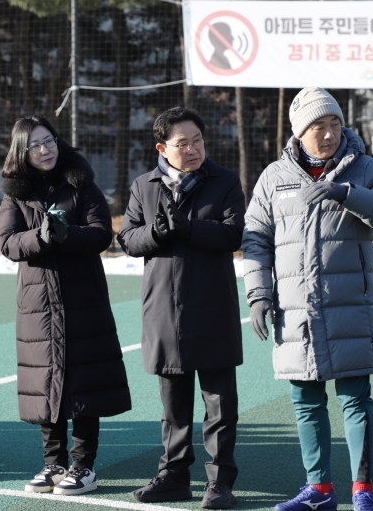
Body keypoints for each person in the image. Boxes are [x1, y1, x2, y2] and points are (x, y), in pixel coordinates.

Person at [243, 87, 373, 511]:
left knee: (355, 399)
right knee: (305, 402)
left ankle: (362, 490)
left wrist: (348, 193)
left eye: (335, 123)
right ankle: (318, 491)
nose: (330, 133)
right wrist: (259, 293)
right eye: (319, 126)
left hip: (350, 310)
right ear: (299, 132)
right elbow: (256, 239)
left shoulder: (366, 169)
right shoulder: (274, 178)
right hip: (295, 314)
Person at [0, 115, 131, 496]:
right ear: (22, 152)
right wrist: (40, 237)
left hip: (83, 299)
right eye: (35, 145)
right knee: (46, 381)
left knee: (85, 381)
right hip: (38, 303)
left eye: (49, 140)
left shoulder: (81, 182)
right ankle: (52, 463)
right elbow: (7, 243)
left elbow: (102, 234)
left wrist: (66, 234)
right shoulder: (15, 193)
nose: (45, 149)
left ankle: (83, 466)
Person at [117, 107, 245, 509]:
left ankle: (220, 483)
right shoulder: (144, 185)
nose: (192, 150)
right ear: (162, 148)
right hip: (164, 312)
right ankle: (173, 476)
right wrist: (155, 232)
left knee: (219, 406)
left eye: (198, 141)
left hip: (212, 307)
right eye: (182, 143)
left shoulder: (224, 180)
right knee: (173, 407)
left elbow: (234, 233)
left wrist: (189, 229)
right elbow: (127, 239)